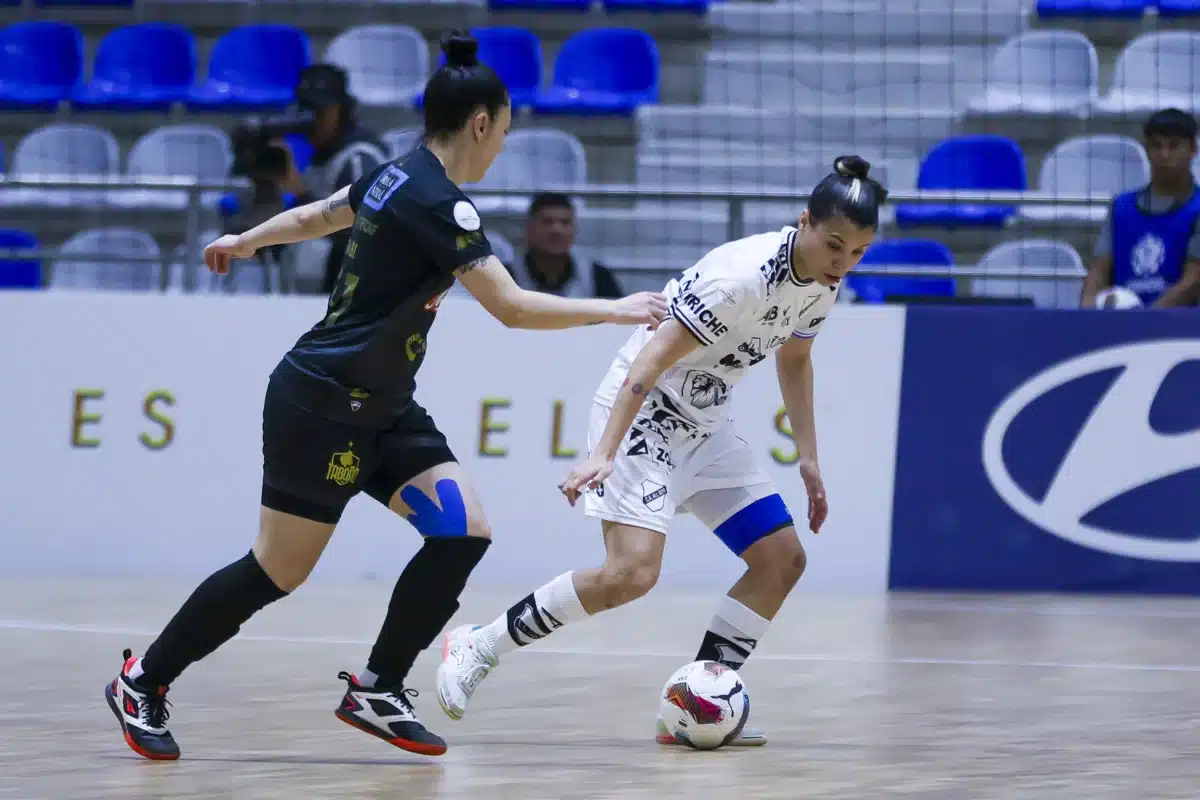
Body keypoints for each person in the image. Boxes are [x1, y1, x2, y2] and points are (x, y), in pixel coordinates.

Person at [104, 30, 667, 762]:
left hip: (385, 404)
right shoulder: (444, 205)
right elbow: (511, 308)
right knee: (278, 569)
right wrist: (617, 309)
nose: (501, 147)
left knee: (463, 530)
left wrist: (247, 239)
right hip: (324, 400)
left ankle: (378, 687)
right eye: (503, 132)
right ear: (480, 123)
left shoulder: (394, 175)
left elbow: (314, 217)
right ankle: (143, 680)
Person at [434, 157, 888, 747]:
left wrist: (809, 458)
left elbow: (795, 360)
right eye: (834, 245)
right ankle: (481, 642)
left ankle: (697, 701)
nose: (842, 263)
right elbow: (649, 360)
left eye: (858, 252)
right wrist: (603, 451)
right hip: (645, 415)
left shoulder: (822, 287)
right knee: (631, 575)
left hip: (706, 423)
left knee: (782, 560)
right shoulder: (740, 278)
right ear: (803, 221)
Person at [1082, 108, 1200, 308]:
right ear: (1147, 149)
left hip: (1181, 328)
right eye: (1157, 146)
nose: (1164, 155)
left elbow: (1194, 279)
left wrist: (1145, 319)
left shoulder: (1196, 208)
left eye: (1174, 146)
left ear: (1193, 150)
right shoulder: (1121, 207)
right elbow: (1099, 270)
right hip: (1124, 321)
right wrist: (1088, 308)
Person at [507, 192, 624, 298]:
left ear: (574, 229)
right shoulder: (505, 276)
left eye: (565, 223)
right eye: (547, 222)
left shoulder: (597, 277)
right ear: (529, 228)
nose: (557, 230)